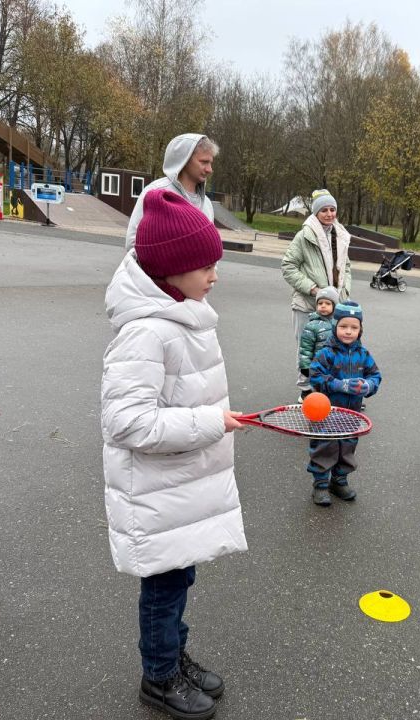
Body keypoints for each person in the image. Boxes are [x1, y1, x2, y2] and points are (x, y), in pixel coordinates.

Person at [102, 189, 247, 719]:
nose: (214, 276)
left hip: (179, 487)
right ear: (171, 270)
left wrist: (213, 419)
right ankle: (158, 678)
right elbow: (127, 421)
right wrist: (211, 422)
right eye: (205, 266)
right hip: (158, 493)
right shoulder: (146, 333)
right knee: (163, 592)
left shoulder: (184, 314)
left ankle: (174, 658)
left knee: (180, 581)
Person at [281, 189, 352, 400]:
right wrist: (314, 290)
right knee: (308, 348)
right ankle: (306, 391)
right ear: (316, 212)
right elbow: (288, 267)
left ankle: (328, 389)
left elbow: (346, 267)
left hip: (335, 305)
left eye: (333, 209)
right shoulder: (305, 236)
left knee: (333, 348)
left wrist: (344, 291)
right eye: (324, 210)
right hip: (307, 304)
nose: (329, 214)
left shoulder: (340, 235)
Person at [308, 300, 381, 506]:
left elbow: (375, 375)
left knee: (347, 446)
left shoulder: (363, 354)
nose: (348, 331)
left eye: (354, 327)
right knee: (325, 446)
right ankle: (320, 484)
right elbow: (315, 376)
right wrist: (339, 385)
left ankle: (339, 481)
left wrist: (368, 386)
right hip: (327, 412)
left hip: (352, 413)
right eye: (343, 326)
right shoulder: (326, 353)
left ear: (360, 329)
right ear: (335, 326)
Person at [125, 133, 218, 251]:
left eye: (210, 163)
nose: (209, 169)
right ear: (184, 159)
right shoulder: (156, 193)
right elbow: (133, 243)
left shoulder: (207, 205)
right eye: (204, 162)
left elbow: (210, 251)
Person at [298, 286, 339, 400]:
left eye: (327, 303)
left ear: (334, 306)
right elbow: (305, 349)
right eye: (320, 303)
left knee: (334, 383)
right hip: (318, 363)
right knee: (318, 386)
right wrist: (305, 367)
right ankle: (307, 395)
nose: (323, 306)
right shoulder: (311, 325)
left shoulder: (339, 324)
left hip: (335, 362)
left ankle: (342, 400)